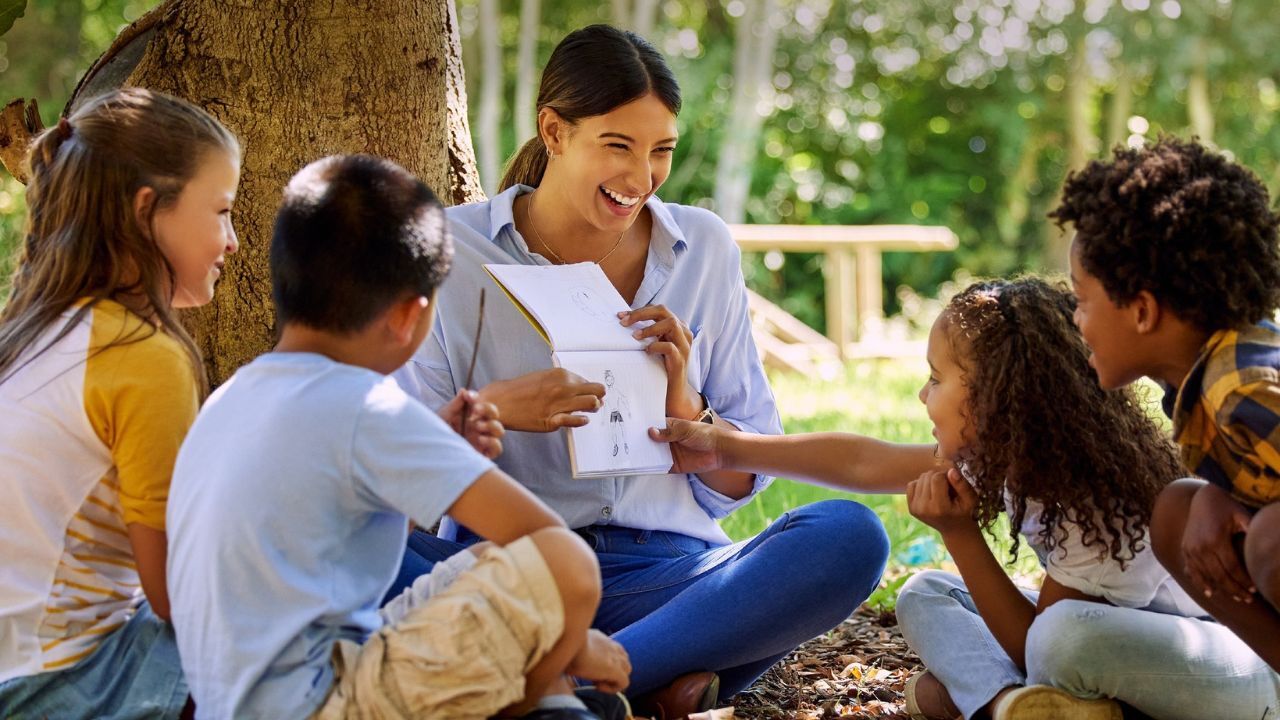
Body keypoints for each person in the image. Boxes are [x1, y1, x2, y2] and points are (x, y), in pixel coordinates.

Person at [392, 24, 888, 714]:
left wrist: (691, 414)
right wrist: (497, 409)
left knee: (848, 535)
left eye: (662, 151)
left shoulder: (703, 249)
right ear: (555, 132)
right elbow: (400, 475)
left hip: (669, 574)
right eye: (617, 145)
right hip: (509, 567)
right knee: (356, 550)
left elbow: (742, 478)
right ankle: (652, 684)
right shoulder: (452, 249)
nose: (641, 177)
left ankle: (578, 690)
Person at [653, 277, 1280, 720]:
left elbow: (1035, 645)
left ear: (997, 397)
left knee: (1063, 639)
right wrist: (730, 449)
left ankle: (999, 700)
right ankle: (1014, 708)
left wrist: (960, 535)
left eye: (935, 379)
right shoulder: (1009, 455)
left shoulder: (1099, 505)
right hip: (1116, 649)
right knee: (929, 592)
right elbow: (865, 459)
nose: (924, 397)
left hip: (1234, 672)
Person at [166, 154, 630, 720]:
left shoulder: (234, 397)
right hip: (321, 703)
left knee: (483, 559)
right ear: (411, 315)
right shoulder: (370, 407)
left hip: (234, 703)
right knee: (565, 566)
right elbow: (549, 546)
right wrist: (575, 645)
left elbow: (334, 526)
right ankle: (545, 706)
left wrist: (439, 442)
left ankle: (555, 705)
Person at [0, 88, 240, 718]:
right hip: (57, 685)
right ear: (145, 212)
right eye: (220, 211)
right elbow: (175, 596)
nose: (233, 241)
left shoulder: (29, 330)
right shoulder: (144, 356)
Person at [1052, 137, 1280, 672]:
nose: (1076, 321)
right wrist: (1219, 494)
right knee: (1179, 511)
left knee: (1272, 540)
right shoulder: (1207, 378)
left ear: (1143, 310)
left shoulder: (1246, 384)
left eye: (1082, 301)